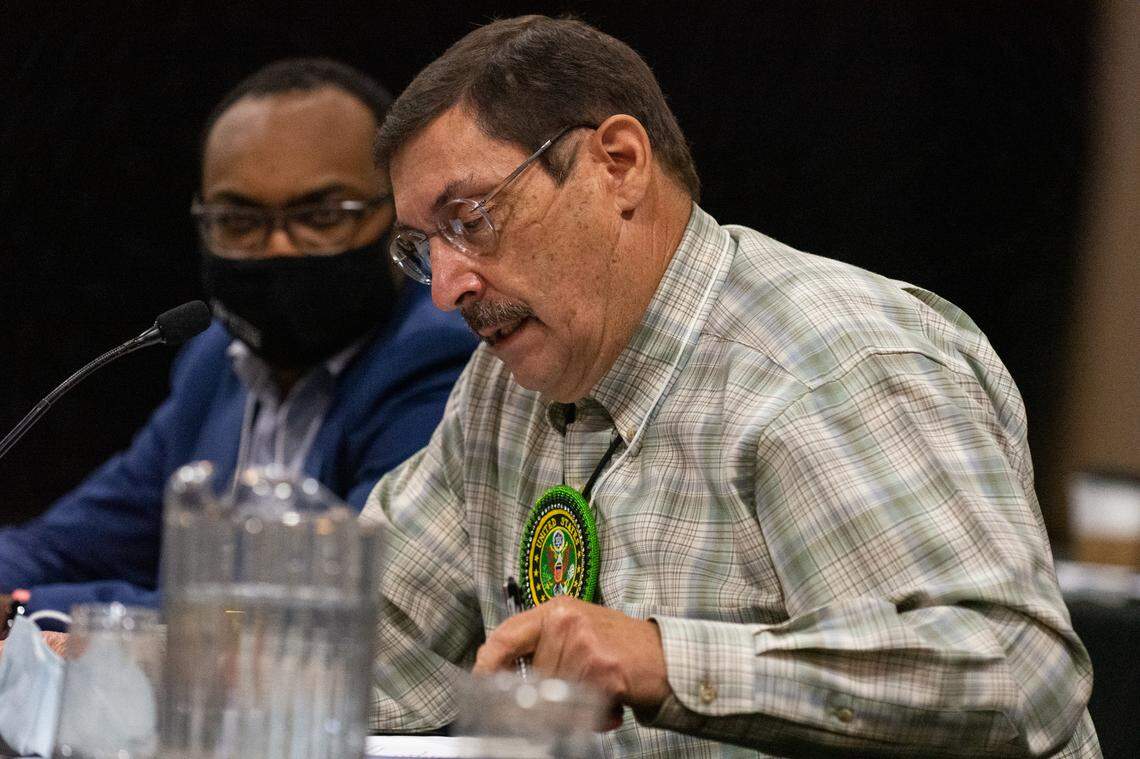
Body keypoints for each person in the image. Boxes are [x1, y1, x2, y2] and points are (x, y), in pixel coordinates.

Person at [361, 16, 1099, 757]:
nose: (446, 290)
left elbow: (1017, 670)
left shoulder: (827, 368)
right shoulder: (504, 389)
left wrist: (665, 663)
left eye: (472, 219)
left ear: (617, 164)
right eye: (424, 248)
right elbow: (376, 639)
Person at [0, 58, 476, 618]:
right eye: (239, 222)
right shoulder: (216, 361)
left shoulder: (434, 360)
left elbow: (309, 608)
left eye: (323, 216)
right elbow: (67, 544)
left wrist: (23, 606)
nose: (278, 248)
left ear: (398, 212)